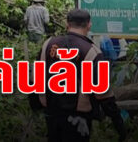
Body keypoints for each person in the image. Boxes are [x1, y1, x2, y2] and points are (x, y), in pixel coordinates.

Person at [36, 9, 127, 142]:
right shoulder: (92, 51)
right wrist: (118, 125)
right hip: (79, 120)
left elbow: (36, 79)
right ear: (89, 25)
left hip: (52, 114)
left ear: (67, 24)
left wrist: (37, 106)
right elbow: (103, 94)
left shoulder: (48, 44)